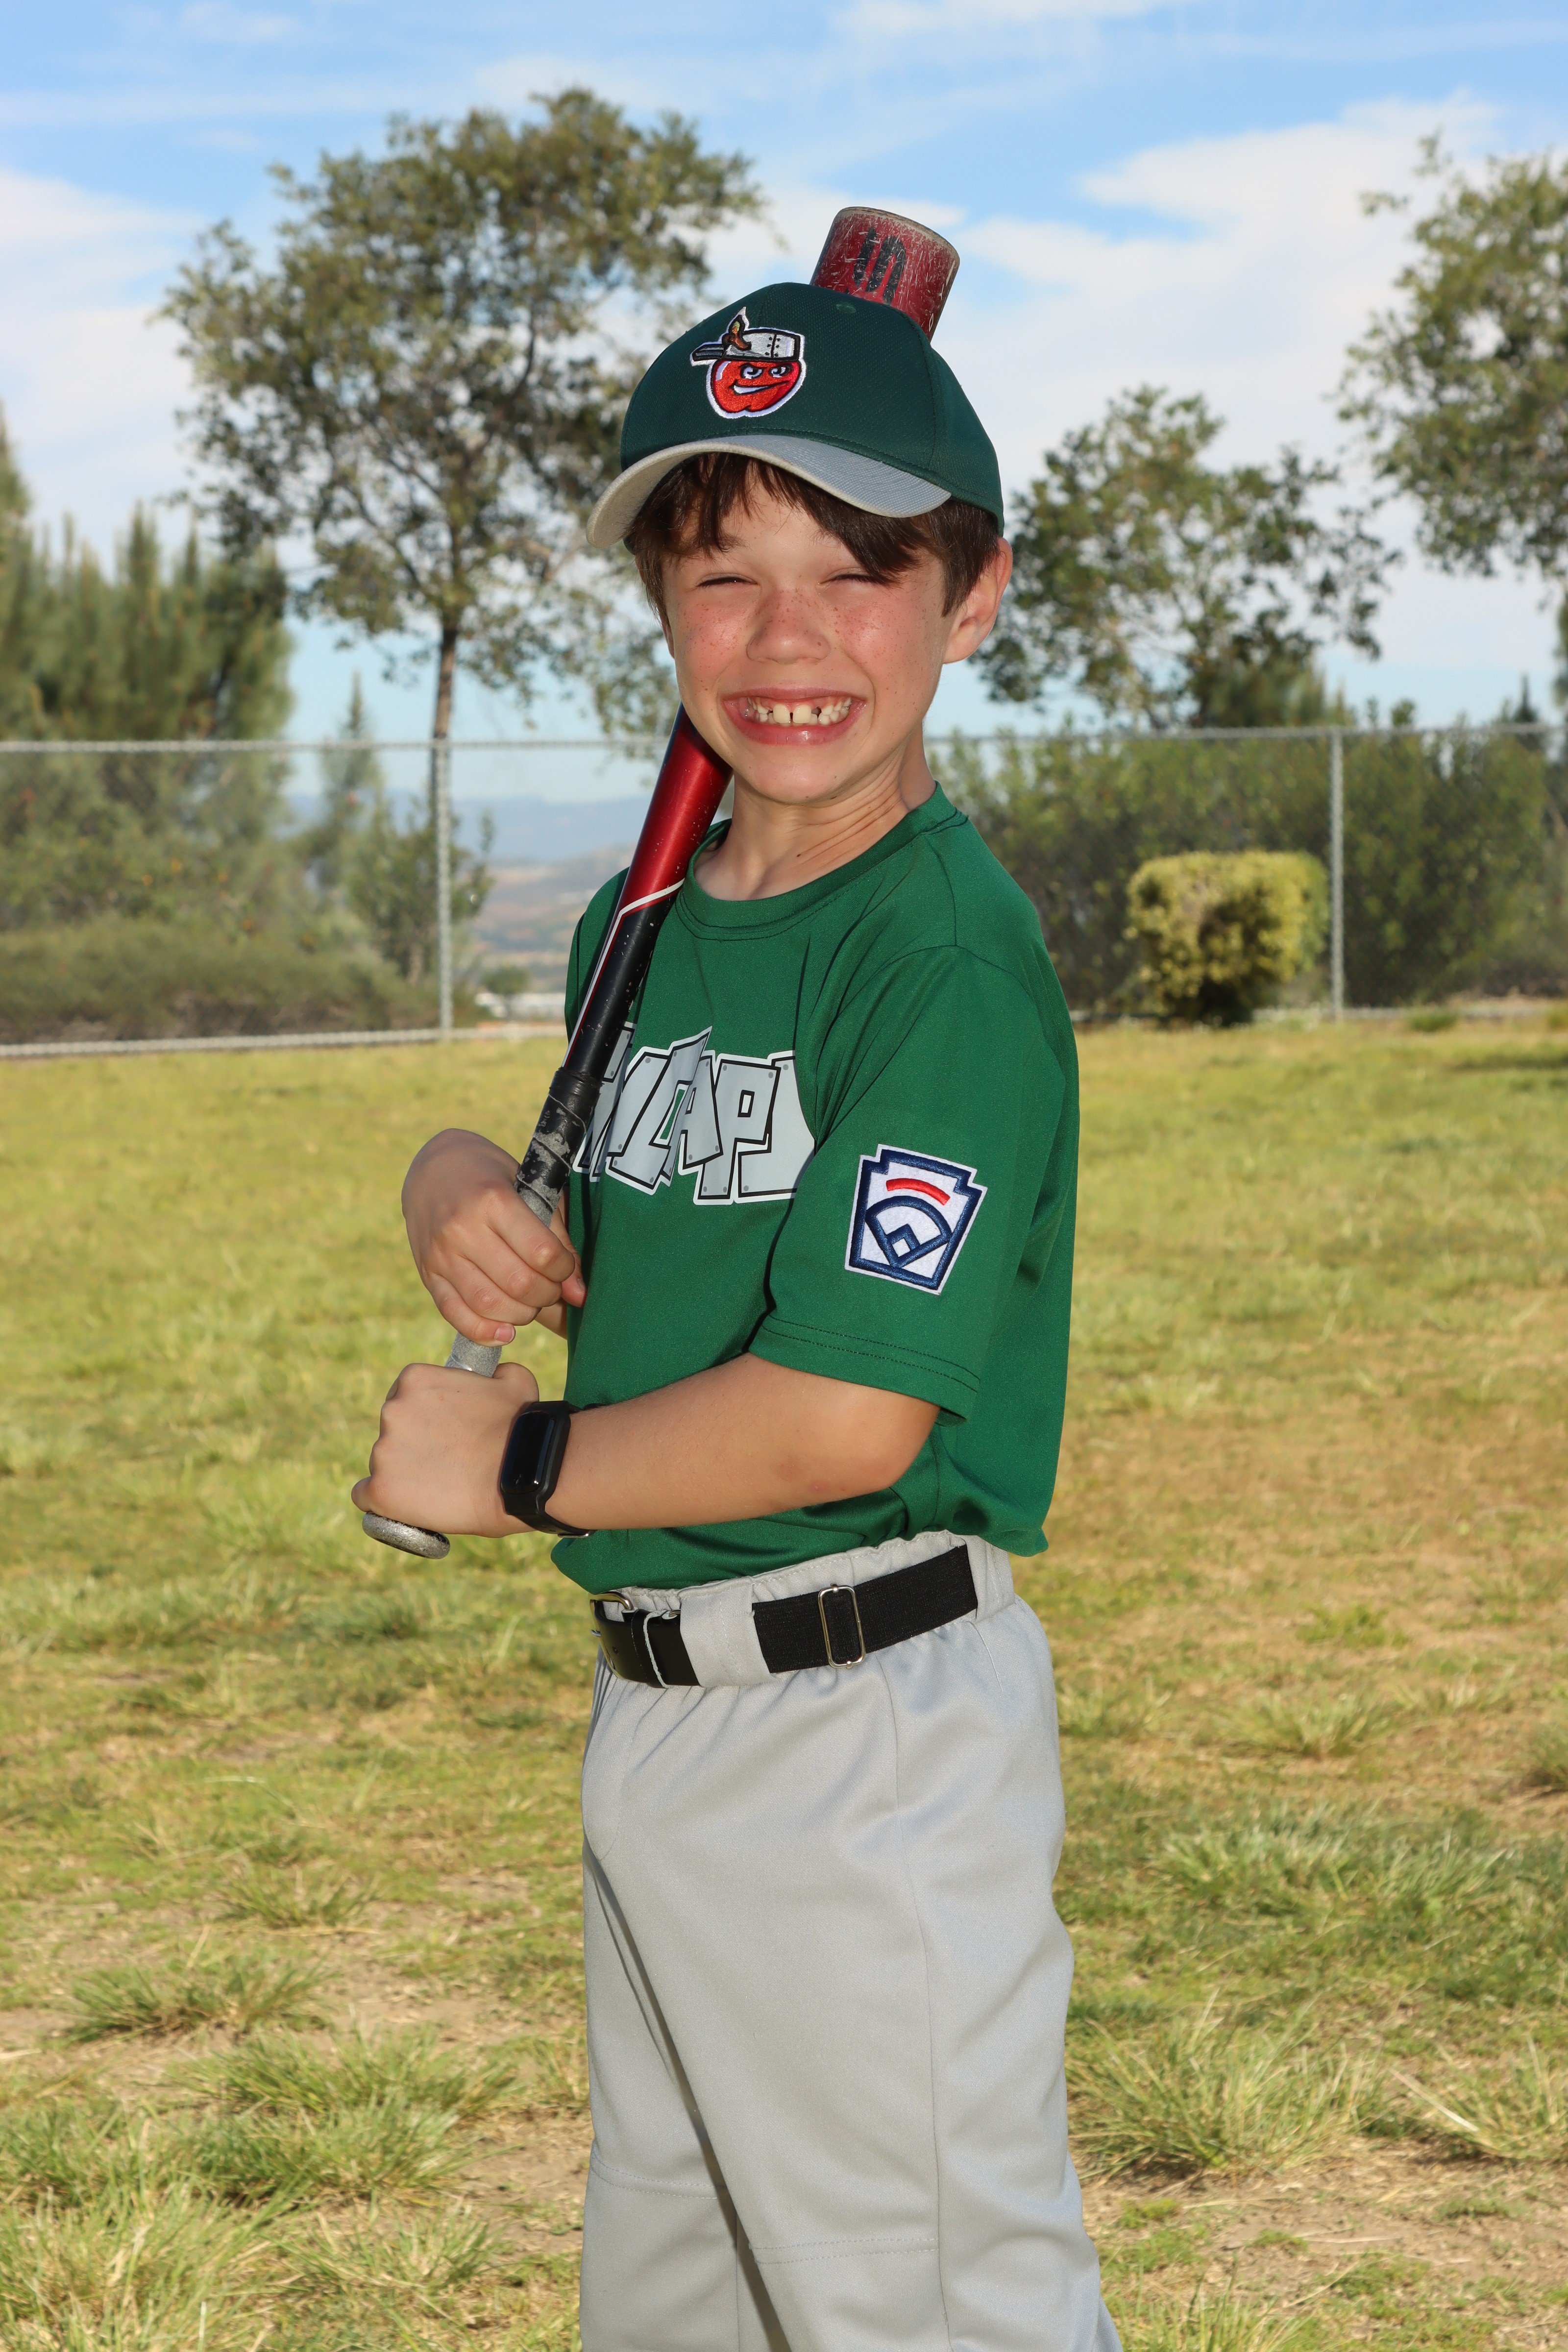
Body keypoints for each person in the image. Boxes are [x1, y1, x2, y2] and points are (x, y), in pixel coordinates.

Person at [353, 277, 1119, 2352]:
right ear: (660, 605)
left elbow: (840, 1413)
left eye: (857, 575)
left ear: (971, 598)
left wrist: (520, 1463)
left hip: (857, 1724)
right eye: (724, 578)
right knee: (685, 2299)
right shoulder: (647, 927)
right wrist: (456, 1188)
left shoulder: (939, 960)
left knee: (922, 2306)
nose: (788, 641)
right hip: (662, 1714)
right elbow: (618, 1249)